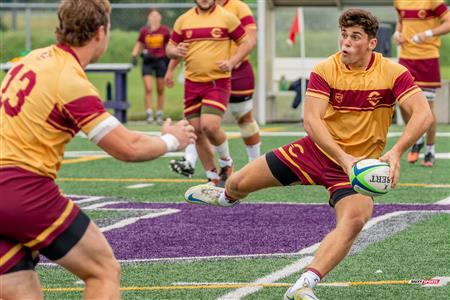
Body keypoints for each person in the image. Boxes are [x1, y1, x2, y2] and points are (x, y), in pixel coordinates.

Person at [184, 9, 433, 300]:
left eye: (355, 37)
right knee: (238, 183)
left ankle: (304, 284)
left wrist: (396, 152)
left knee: (355, 219)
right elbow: (312, 121)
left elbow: (423, 113)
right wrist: (343, 158)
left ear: (372, 43)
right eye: (343, 35)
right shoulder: (325, 69)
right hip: (315, 151)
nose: (346, 43)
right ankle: (225, 198)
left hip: (356, 167)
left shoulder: (393, 72)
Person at [0, 1, 195, 299]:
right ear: (101, 32)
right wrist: (173, 140)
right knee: (103, 270)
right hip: (21, 189)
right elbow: (126, 147)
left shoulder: (30, 60)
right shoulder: (70, 78)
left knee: (19, 289)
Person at [166, 0, 254, 187]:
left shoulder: (226, 17)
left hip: (217, 82)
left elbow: (246, 42)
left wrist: (232, 61)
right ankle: (212, 176)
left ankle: (226, 163)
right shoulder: (183, 20)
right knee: (196, 131)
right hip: (191, 84)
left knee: (210, 126)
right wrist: (175, 51)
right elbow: (170, 48)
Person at [393, 0, 450, 167]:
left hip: (428, 59)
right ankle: (417, 138)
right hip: (406, 59)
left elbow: (448, 23)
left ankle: (430, 150)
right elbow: (400, 21)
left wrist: (429, 34)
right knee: (402, 103)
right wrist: (397, 33)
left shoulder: (433, 1)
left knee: (428, 106)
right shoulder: (398, 1)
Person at [131, 9, 171, 124]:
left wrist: (172, 60)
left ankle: (159, 113)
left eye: (156, 15)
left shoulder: (165, 30)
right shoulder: (145, 31)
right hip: (148, 61)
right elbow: (139, 44)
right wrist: (134, 55)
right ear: (148, 17)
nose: (154, 17)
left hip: (161, 61)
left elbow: (169, 45)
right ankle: (149, 113)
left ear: (160, 17)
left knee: (160, 89)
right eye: (152, 15)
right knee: (148, 88)